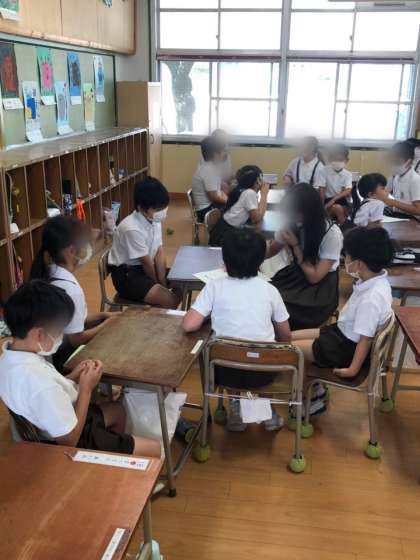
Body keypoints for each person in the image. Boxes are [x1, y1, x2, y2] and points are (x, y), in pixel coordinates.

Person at [0, 280, 161, 457]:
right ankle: (109, 459)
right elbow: (69, 441)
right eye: (59, 330)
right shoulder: (39, 383)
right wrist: (86, 388)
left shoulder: (9, 357)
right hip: (69, 438)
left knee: (117, 410)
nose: (61, 336)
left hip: (59, 418)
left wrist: (73, 377)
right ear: (39, 333)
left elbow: (48, 392)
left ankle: (113, 454)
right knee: (155, 449)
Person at [182, 228, 291, 432]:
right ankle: (267, 411)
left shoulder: (214, 286)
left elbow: (189, 325)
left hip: (225, 371)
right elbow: (286, 336)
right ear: (261, 261)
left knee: (226, 353)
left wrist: (208, 314)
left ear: (224, 261)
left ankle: (235, 407)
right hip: (264, 373)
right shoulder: (270, 290)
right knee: (266, 353)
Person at [292, 227, 393, 391]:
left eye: (347, 255)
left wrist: (352, 370)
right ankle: (315, 391)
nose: (344, 259)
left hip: (344, 348)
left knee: (290, 349)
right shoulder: (376, 281)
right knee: (287, 337)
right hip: (340, 333)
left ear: (359, 264)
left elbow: (365, 339)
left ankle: (312, 396)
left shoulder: (371, 298)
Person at [30, 215, 117, 371]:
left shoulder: (46, 271)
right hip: (61, 361)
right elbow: (77, 339)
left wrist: (101, 316)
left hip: (45, 353)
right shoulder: (70, 289)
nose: (87, 248)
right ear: (71, 250)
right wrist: (108, 324)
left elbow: (68, 322)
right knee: (112, 340)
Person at [267, 183, 343, 330]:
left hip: (320, 288)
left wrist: (296, 246)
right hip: (296, 275)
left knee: (281, 303)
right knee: (266, 293)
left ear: (309, 211)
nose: (291, 216)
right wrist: (247, 257)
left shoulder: (332, 233)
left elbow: (314, 277)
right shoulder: (293, 222)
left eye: (295, 212)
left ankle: (283, 337)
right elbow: (272, 249)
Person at [109, 177, 181, 309]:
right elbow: (146, 263)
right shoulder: (132, 228)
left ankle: (159, 311)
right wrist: (158, 285)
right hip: (127, 275)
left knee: (183, 284)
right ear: (141, 208)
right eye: (157, 208)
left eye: (164, 207)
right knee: (170, 301)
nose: (162, 211)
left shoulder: (154, 219)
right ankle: (155, 315)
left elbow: (159, 252)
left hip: (145, 267)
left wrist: (162, 282)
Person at [209, 165, 269, 246]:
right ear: (258, 180)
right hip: (224, 237)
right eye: (261, 178)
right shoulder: (249, 193)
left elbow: (256, 213)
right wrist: (264, 194)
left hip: (224, 231)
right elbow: (257, 218)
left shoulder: (242, 189)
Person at [192, 136, 228, 222]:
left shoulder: (210, 167)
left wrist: (226, 198)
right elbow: (213, 196)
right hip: (206, 211)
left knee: (236, 206)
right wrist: (229, 201)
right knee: (237, 209)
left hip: (209, 207)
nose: (225, 154)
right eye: (223, 151)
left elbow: (219, 191)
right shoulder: (209, 170)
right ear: (216, 154)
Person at [385, 141, 420, 217]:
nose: (393, 164)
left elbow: (418, 210)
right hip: (398, 216)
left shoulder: (415, 180)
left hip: (412, 220)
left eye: (397, 162)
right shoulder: (397, 177)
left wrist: (394, 203)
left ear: (409, 162)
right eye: (392, 161)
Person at [322, 144, 353, 225]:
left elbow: (348, 190)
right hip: (327, 201)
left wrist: (334, 199)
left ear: (346, 160)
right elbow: (322, 189)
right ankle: (343, 227)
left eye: (340, 160)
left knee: (338, 208)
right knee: (335, 209)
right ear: (330, 159)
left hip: (340, 201)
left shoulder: (347, 174)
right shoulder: (323, 171)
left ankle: (342, 227)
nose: (338, 162)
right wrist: (321, 206)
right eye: (335, 159)